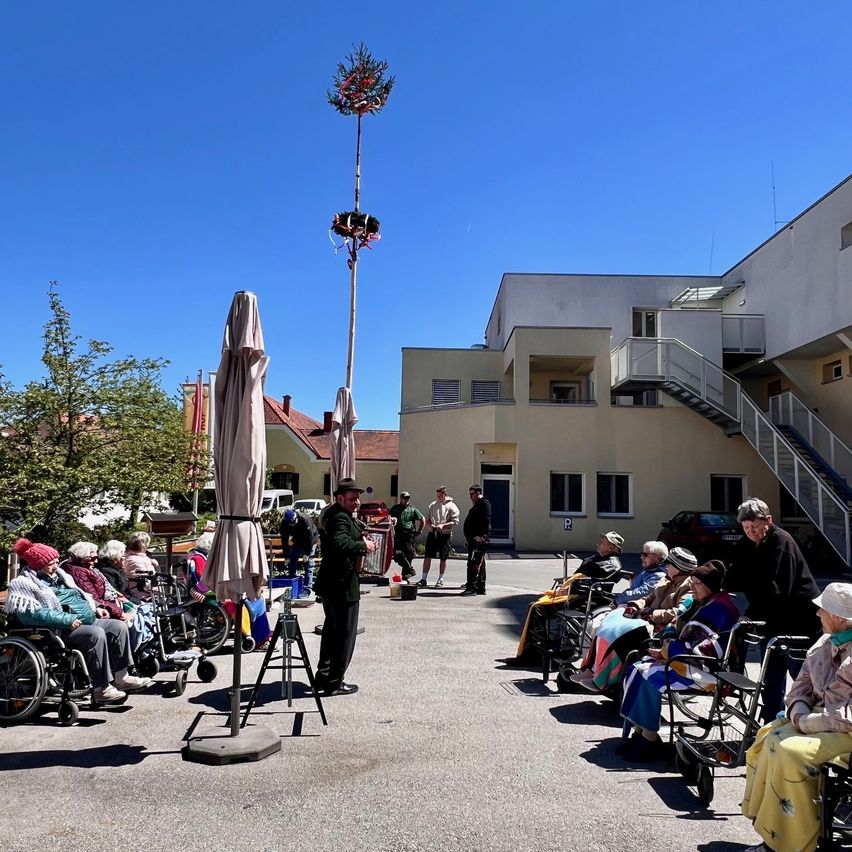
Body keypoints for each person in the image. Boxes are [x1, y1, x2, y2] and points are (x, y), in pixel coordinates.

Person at [741, 582, 852, 852]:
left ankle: (797, 842)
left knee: (790, 751)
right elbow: (800, 686)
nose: (817, 614)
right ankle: (773, 834)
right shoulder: (824, 643)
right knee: (767, 735)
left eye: (822, 610)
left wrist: (809, 722)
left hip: (846, 731)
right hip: (821, 721)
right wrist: (799, 711)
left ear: (838, 617)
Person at [619, 559, 739, 763]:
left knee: (650, 676)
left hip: (709, 670)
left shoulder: (720, 608)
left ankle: (649, 737)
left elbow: (707, 649)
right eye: (691, 582)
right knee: (636, 669)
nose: (692, 587)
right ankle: (640, 731)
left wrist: (668, 650)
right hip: (686, 660)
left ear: (709, 585)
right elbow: (677, 625)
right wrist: (665, 646)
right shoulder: (703, 601)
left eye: (697, 583)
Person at [5, 539, 152, 702]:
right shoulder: (23, 584)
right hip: (59, 630)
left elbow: (81, 595)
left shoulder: (61, 576)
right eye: (51, 563)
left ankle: (121, 678)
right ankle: (101, 688)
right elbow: (31, 614)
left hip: (85, 619)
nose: (56, 566)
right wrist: (66, 620)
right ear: (38, 565)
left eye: (56, 562)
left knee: (118, 627)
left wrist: (96, 607)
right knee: (95, 634)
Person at [724, 496, 821, 723]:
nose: (751, 532)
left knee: (801, 677)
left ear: (768, 520)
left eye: (755, 527)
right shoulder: (749, 543)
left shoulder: (781, 542)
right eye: (746, 528)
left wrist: (752, 609)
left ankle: (814, 722)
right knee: (771, 676)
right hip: (774, 620)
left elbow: (778, 590)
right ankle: (768, 725)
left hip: (800, 620)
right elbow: (735, 574)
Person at [504, 531, 624, 664]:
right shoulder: (597, 559)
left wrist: (570, 588)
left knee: (538, 608)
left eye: (603, 542)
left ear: (611, 547)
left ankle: (535, 656)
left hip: (587, 599)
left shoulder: (612, 564)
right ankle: (535, 653)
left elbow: (593, 583)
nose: (598, 543)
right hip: (578, 594)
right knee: (535, 605)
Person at [568, 540, 671, 691]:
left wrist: (618, 599)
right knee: (593, 624)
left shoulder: (658, 575)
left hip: (637, 610)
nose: (641, 557)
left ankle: (597, 672)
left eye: (645, 554)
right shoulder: (647, 571)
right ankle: (589, 668)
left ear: (658, 558)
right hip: (630, 606)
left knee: (601, 628)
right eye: (641, 553)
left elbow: (642, 593)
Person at [314, 478, 378, 697]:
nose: (356, 502)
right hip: (341, 585)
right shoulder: (339, 517)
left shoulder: (334, 514)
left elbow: (339, 540)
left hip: (332, 584)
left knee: (332, 632)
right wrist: (364, 545)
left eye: (357, 498)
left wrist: (360, 538)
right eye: (352, 498)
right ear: (339, 498)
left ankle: (323, 676)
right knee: (344, 634)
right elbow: (339, 543)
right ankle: (334, 681)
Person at [64, 541, 155, 653]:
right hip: (102, 610)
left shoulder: (93, 570)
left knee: (148, 612)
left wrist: (128, 602)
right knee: (133, 621)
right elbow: (95, 598)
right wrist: (120, 613)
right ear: (81, 558)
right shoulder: (80, 573)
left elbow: (114, 592)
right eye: (92, 558)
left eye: (96, 557)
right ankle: (138, 654)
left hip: (112, 605)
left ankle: (145, 652)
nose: (96, 561)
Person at [417, 486, 460, 588]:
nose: (439, 497)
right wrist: (430, 525)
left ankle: (440, 579)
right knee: (428, 555)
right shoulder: (433, 505)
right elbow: (427, 519)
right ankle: (424, 578)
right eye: (437, 495)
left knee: (443, 557)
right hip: (433, 533)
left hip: (445, 534)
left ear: (445, 494)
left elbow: (455, 521)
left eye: (440, 495)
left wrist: (443, 526)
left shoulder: (452, 506)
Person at [279, 507, 319, 598]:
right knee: (293, 559)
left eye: (295, 522)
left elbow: (310, 537)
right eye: (291, 524)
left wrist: (307, 554)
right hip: (298, 540)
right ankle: (292, 581)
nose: (294, 524)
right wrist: (286, 556)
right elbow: (284, 540)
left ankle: (307, 588)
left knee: (309, 564)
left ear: (296, 516)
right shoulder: (284, 524)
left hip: (311, 540)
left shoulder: (304, 519)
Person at [460, 484, 491, 597]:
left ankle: (471, 587)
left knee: (473, 563)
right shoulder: (476, 505)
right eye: (469, 494)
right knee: (480, 563)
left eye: (472, 494)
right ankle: (480, 587)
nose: (470, 497)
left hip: (479, 539)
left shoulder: (484, 503)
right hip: (473, 539)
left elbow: (486, 520)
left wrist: (481, 536)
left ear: (478, 493)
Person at [389, 491, 424, 583]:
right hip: (398, 533)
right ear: (401, 498)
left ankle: (405, 576)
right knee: (397, 554)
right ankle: (410, 569)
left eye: (408, 498)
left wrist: (420, 531)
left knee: (408, 554)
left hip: (409, 534)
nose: (406, 500)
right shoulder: (395, 508)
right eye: (404, 498)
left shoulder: (412, 509)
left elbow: (422, 519)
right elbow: (388, 517)